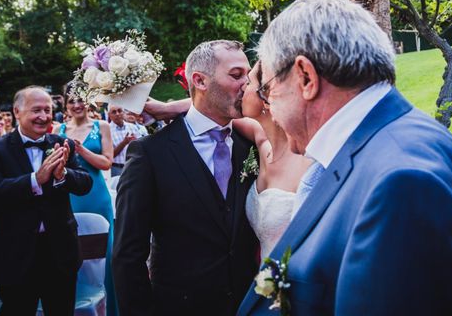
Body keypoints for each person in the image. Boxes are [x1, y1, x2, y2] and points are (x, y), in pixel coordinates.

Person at [237, 0, 452, 316]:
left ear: (305, 77)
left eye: (267, 90)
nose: (271, 111)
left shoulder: (403, 185)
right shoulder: (374, 150)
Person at [113, 40, 259, 316]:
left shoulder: (251, 143)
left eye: (249, 77)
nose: (247, 85)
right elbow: (128, 255)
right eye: (237, 75)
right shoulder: (150, 154)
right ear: (199, 81)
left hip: (248, 305)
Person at [145, 60, 311, 259]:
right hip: (261, 282)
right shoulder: (261, 140)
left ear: (266, 96)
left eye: (247, 82)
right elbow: (211, 107)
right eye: (237, 77)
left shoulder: (307, 156)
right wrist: (168, 108)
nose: (241, 86)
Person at [0, 86, 92, 315]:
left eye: (48, 110)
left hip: (59, 250)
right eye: (36, 110)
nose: (43, 116)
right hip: (15, 251)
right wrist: (34, 180)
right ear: (17, 112)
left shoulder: (62, 143)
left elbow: (84, 183)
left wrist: (64, 175)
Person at [55, 90, 117, 316]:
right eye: (71, 100)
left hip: (96, 195)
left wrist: (80, 149)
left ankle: (110, 308)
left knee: (104, 253)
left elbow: (106, 163)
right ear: (66, 104)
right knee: (72, 249)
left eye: (80, 99)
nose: (76, 104)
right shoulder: (58, 130)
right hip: (69, 195)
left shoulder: (102, 126)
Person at [108, 104, 144, 177]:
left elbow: (141, 148)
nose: (117, 114)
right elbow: (110, 155)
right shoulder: (107, 130)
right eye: (114, 112)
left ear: (123, 113)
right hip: (117, 168)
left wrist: (136, 142)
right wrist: (124, 143)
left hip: (134, 167)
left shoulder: (132, 127)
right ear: (109, 115)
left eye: (119, 111)